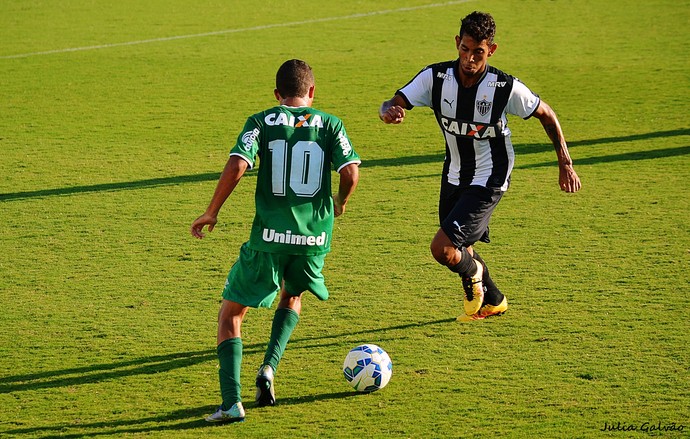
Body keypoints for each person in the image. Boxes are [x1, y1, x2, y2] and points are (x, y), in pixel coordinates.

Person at [379, 11, 581, 322]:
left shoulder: (503, 87)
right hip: (455, 172)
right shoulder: (435, 78)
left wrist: (565, 162)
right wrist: (388, 111)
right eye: (465, 49)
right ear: (457, 43)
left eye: (479, 52)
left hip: (491, 176)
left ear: (492, 50)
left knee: (442, 248)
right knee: (462, 245)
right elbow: (393, 101)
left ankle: (473, 275)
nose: (470, 58)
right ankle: (495, 300)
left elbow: (546, 113)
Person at [191, 59, 360, 423]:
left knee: (230, 314)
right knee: (292, 295)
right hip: (313, 239)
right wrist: (340, 202)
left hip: (268, 238)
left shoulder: (261, 121)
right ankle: (269, 367)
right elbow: (350, 171)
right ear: (312, 92)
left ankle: (231, 403)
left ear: (277, 94)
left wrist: (211, 211)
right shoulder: (331, 124)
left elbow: (238, 165)